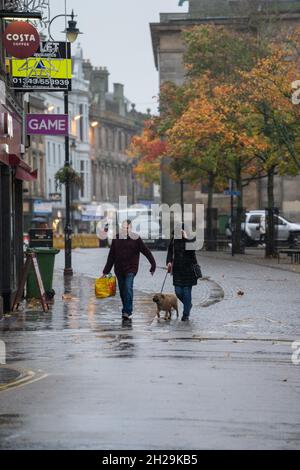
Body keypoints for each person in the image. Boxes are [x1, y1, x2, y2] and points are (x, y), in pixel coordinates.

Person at [102, 219, 156, 321]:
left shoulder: (136, 239)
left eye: (127, 228)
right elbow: (111, 256)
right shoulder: (116, 238)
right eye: (123, 227)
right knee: (123, 291)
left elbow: (146, 252)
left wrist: (153, 265)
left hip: (131, 268)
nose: (125, 229)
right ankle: (126, 309)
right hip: (119, 269)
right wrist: (106, 271)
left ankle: (127, 311)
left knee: (128, 288)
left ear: (130, 228)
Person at [166, 226, 198, 322]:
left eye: (182, 231)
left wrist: (187, 238)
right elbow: (170, 252)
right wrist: (169, 262)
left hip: (189, 270)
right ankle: (188, 305)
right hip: (177, 270)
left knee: (187, 292)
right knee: (178, 291)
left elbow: (193, 250)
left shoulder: (191, 238)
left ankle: (185, 314)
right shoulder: (174, 240)